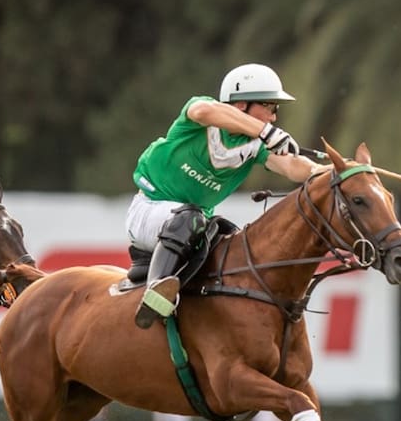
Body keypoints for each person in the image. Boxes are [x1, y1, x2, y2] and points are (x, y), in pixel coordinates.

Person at [125, 63, 323, 328]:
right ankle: (155, 294)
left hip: (192, 226)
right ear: (242, 104)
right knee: (191, 218)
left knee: (232, 240)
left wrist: (335, 170)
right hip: (149, 211)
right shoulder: (203, 112)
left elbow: (292, 167)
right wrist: (264, 132)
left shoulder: (255, 147)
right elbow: (204, 111)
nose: (274, 117)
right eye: (270, 107)